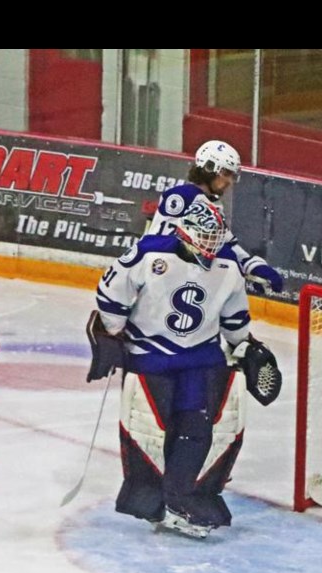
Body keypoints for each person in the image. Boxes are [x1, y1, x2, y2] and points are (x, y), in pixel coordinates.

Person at [93, 199, 280, 539]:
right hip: (150, 357)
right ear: (184, 231)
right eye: (204, 236)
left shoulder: (227, 266)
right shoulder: (148, 253)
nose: (210, 244)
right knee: (149, 432)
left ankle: (184, 498)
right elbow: (110, 293)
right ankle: (149, 499)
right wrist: (112, 330)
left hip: (200, 360)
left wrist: (244, 346)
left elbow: (234, 319)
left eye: (215, 236)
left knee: (198, 431)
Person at [147, 139, 283, 296]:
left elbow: (226, 244)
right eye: (226, 174)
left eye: (233, 176)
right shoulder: (183, 196)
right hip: (164, 281)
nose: (230, 181)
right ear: (208, 168)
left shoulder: (213, 205)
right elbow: (161, 241)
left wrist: (254, 267)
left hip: (185, 283)